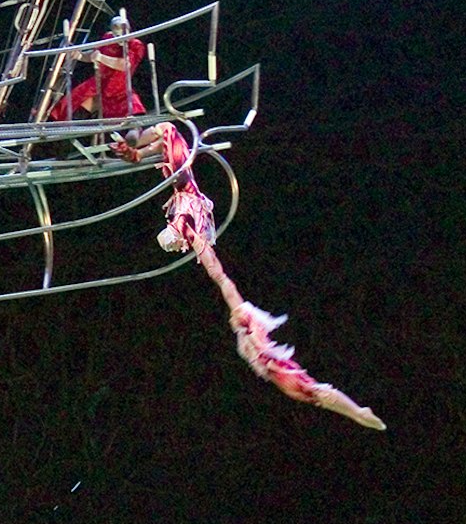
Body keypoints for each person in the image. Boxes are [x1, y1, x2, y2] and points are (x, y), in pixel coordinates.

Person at [135, 121, 386, 430]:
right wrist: (199, 245)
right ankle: (358, 411)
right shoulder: (186, 216)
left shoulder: (184, 214)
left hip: (270, 359)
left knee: (315, 393)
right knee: (314, 393)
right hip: (270, 358)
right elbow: (219, 274)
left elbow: (220, 275)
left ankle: (358, 412)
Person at [49, 10, 147, 123]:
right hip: (99, 83)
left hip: (119, 88)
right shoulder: (108, 37)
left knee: (130, 113)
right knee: (74, 104)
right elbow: (95, 54)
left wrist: (101, 58)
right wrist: (80, 56)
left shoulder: (135, 44)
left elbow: (125, 65)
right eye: (116, 33)